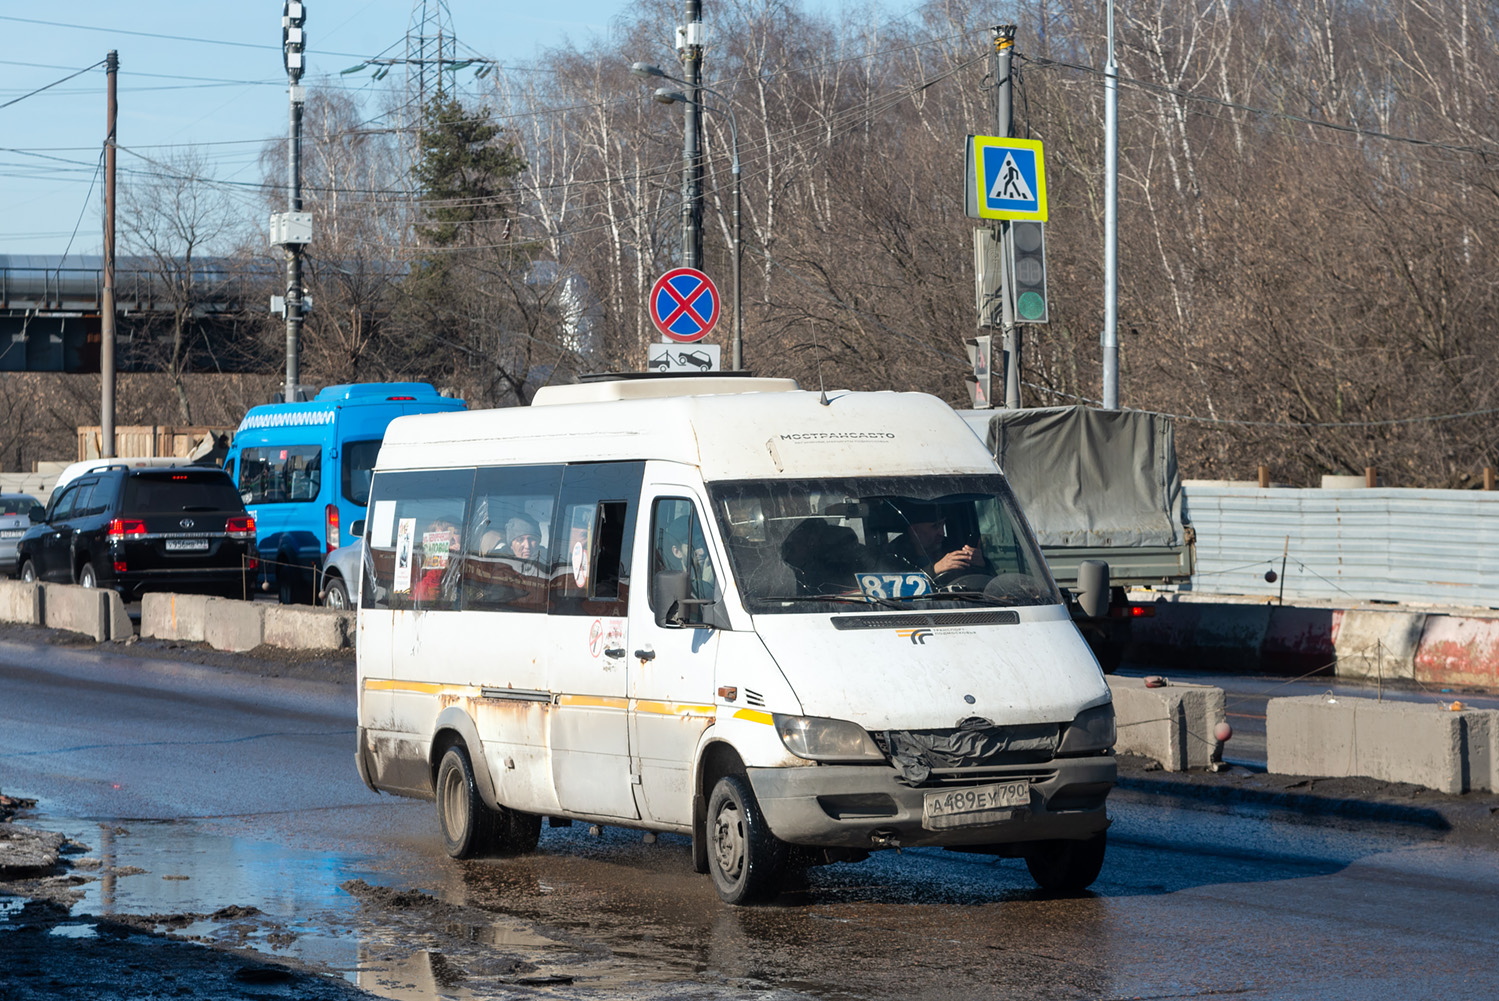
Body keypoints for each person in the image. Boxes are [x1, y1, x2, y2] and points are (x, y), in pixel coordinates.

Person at [883, 504, 986, 580]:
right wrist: (934, 570)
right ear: (915, 531)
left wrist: (982, 565)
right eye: (935, 526)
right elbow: (895, 589)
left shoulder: (953, 548)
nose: (942, 532)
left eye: (942, 525)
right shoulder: (892, 555)